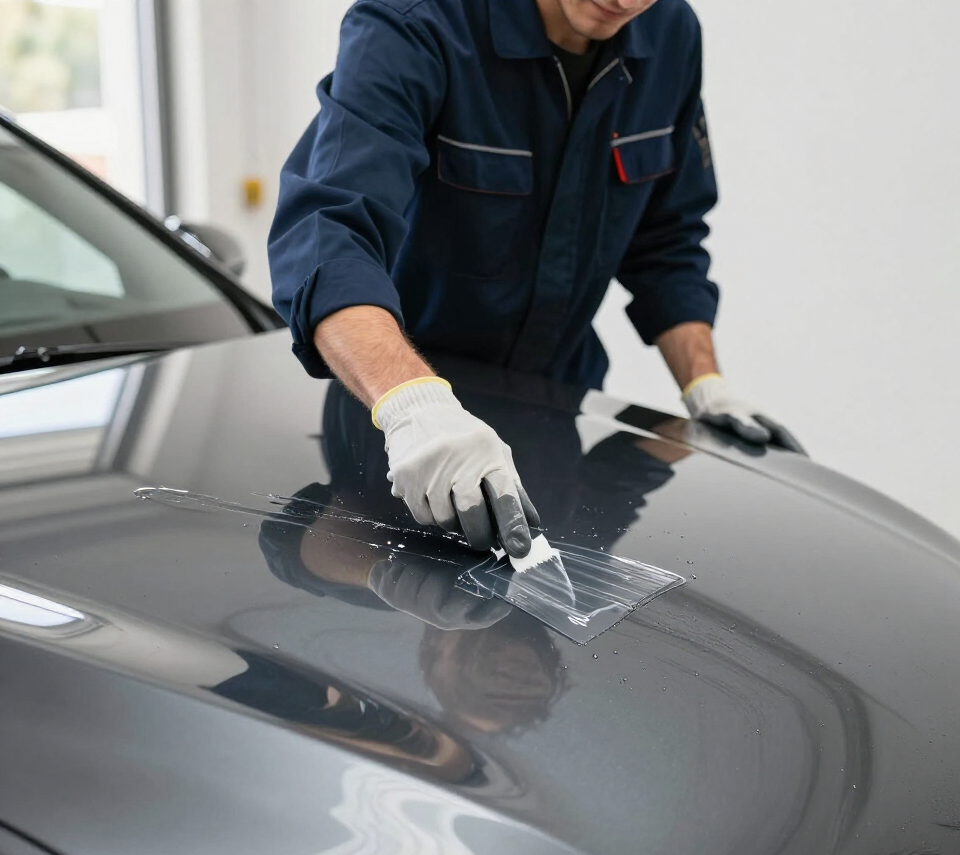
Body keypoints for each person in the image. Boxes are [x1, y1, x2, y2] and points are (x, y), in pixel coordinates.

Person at [269, 0, 805, 561]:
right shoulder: (414, 25)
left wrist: (705, 387)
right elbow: (329, 233)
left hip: (554, 417)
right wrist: (414, 409)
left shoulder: (670, 32)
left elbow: (667, 238)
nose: (625, 2)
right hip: (395, 416)